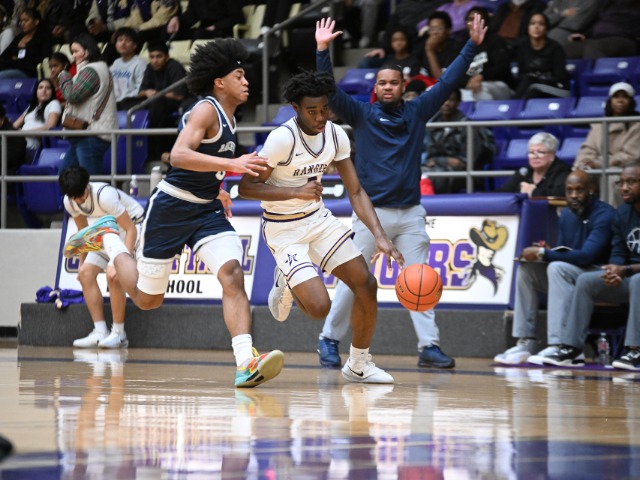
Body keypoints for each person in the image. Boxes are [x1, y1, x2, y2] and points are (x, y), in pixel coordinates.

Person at [63, 39, 284, 388]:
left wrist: (217, 186)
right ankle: (108, 237)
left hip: (206, 210)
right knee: (148, 301)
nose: (246, 82)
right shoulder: (206, 110)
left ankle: (245, 362)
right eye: (239, 76)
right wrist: (233, 164)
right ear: (219, 82)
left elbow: (205, 163)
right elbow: (179, 155)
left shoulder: (230, 117)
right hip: (171, 208)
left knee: (231, 274)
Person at [314, 15, 487, 369]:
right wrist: (322, 50)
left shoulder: (418, 111)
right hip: (370, 214)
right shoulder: (361, 114)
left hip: (410, 213)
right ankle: (329, 339)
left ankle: (429, 347)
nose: (388, 87)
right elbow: (328, 89)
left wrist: (472, 45)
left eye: (394, 82)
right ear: (375, 88)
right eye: (382, 83)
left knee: (419, 279)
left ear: (404, 85)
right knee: (353, 280)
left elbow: (449, 81)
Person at [238, 70, 404, 384]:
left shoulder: (335, 134)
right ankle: (286, 279)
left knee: (366, 284)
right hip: (283, 228)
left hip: (318, 220)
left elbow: (356, 191)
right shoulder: (282, 139)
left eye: (324, 109)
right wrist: (295, 192)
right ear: (295, 108)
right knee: (318, 308)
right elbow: (246, 188)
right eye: (311, 111)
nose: (319, 117)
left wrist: (380, 236)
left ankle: (359, 364)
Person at [493, 170, 614, 365]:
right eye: (569, 190)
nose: (573, 195)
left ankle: (561, 344)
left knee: (557, 267)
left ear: (591, 190)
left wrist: (543, 253)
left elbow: (587, 256)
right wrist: (548, 251)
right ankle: (527, 341)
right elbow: (565, 250)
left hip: (600, 276)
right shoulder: (566, 214)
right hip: (572, 274)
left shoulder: (605, 214)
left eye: (579, 190)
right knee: (527, 269)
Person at [543, 161, 640, 369]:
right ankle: (571, 348)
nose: (624, 188)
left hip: (635, 277)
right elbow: (618, 251)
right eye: (621, 183)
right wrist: (614, 270)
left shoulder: (606, 213)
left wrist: (626, 270)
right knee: (586, 281)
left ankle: (636, 350)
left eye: (631, 182)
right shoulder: (622, 214)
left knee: (638, 280)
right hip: (628, 278)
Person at [59, 166, 144, 349]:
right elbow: (83, 232)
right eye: (75, 197)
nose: (79, 200)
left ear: (87, 184)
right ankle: (100, 332)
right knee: (85, 274)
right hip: (106, 233)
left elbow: (130, 229)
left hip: (133, 228)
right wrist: (82, 264)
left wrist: (120, 263)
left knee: (114, 276)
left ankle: (119, 334)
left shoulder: (104, 195)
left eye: (81, 195)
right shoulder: (69, 201)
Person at [57, 33, 118, 175]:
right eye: (72, 52)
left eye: (76, 51)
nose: (73, 56)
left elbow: (73, 95)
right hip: (85, 133)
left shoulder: (91, 70)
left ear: (88, 51)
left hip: (91, 133)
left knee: (91, 181)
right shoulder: (96, 68)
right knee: (65, 176)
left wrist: (64, 77)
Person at [573, 82, 640, 205]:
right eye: (616, 96)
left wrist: (597, 163)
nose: (620, 100)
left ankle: (611, 214)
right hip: (599, 167)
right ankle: (578, 214)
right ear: (610, 100)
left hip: (627, 170)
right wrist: (584, 163)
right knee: (577, 176)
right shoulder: (600, 124)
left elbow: (630, 156)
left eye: (624, 97)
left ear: (631, 101)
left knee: (611, 176)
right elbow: (588, 149)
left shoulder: (637, 124)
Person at [138, 40, 192, 162]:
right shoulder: (150, 67)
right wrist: (147, 92)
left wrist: (156, 94)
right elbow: (141, 92)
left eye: (159, 57)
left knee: (157, 105)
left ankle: (156, 153)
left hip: (176, 103)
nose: (155, 60)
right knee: (127, 102)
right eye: (152, 57)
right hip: (155, 101)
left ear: (167, 57)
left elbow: (178, 95)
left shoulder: (175, 67)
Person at [423, 88, 481, 193]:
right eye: (443, 100)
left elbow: (465, 162)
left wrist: (439, 160)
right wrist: (445, 161)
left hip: (463, 173)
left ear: (458, 102)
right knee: (413, 173)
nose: (446, 103)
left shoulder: (468, 126)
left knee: (438, 177)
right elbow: (430, 157)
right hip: (437, 168)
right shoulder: (432, 124)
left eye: (451, 100)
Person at [460, 6, 513, 101]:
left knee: (480, 88)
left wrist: (481, 76)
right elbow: (457, 72)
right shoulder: (462, 44)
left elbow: (503, 68)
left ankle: (488, 111)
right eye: (471, 19)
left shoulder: (495, 40)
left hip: (498, 85)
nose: (474, 23)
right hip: (470, 85)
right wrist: (467, 82)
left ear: (486, 23)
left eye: (478, 20)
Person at [512, 13, 570, 99]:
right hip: (530, 86)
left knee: (531, 84)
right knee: (528, 84)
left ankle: (514, 105)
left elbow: (560, 76)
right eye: (532, 23)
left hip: (555, 87)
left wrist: (538, 79)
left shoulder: (555, 47)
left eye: (541, 24)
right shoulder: (523, 46)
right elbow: (521, 73)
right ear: (527, 28)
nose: (536, 27)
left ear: (546, 29)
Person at [498, 132, 571, 197]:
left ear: (552, 154)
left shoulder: (562, 171)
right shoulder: (525, 172)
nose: (535, 156)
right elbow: (503, 193)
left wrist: (533, 192)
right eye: (531, 152)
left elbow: (559, 195)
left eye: (540, 152)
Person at [562, 0, 640, 60]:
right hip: (598, 39)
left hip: (624, 39)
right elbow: (596, 24)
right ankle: (563, 76)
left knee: (594, 47)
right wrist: (584, 35)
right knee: (569, 48)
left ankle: (598, 76)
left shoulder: (634, 5)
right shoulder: (607, 4)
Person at [0, 8, 50, 79]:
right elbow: (3, 56)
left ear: (36, 22)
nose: (22, 23)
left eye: (26, 20)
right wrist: (15, 62)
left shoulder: (43, 38)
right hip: (10, 69)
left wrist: (15, 61)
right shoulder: (19, 37)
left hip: (28, 73)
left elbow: (39, 61)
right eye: (20, 21)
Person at [12, 78, 62, 150]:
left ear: (52, 92)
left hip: (31, 144)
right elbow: (14, 126)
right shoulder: (32, 107)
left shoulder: (54, 103)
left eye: (48, 88)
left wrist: (24, 133)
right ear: (36, 91)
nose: (44, 90)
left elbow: (50, 127)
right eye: (40, 87)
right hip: (20, 140)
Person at [165, 0, 243, 41]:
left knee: (199, 34)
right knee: (170, 32)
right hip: (204, 29)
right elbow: (190, 16)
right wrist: (177, 19)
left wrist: (215, 26)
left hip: (223, 30)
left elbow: (237, 18)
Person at [109, 27, 148, 111]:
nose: (123, 43)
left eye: (127, 40)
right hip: (114, 103)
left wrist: (123, 99)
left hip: (130, 104)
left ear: (134, 45)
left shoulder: (140, 63)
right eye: (120, 40)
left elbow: (141, 89)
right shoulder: (116, 63)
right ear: (116, 45)